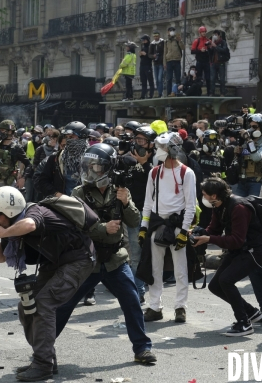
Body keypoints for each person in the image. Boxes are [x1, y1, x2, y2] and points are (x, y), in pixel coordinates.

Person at [55, 143, 157, 364]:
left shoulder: (120, 190)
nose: (92, 170)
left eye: (98, 167)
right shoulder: (79, 192)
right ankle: (42, 350)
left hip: (115, 259)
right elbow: (75, 225)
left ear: (108, 168)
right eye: (89, 165)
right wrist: (102, 228)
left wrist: (126, 202)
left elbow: (134, 221)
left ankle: (142, 349)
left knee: (131, 302)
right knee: (64, 305)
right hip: (87, 260)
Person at [0, 186, 96, 381]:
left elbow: (30, 225)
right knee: (27, 306)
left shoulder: (34, 212)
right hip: (55, 262)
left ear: (9, 211)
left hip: (78, 259)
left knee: (43, 304)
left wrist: (4, 232)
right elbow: (1, 257)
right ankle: (45, 358)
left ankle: (43, 365)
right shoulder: (12, 227)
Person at [192, 177, 262, 336]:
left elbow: (237, 240)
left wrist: (210, 239)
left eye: (205, 194)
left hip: (252, 251)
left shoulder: (239, 207)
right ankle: (251, 313)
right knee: (215, 286)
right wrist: (200, 234)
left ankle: (244, 323)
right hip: (239, 251)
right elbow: (215, 229)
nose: (202, 197)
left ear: (214, 195)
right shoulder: (218, 205)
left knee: (226, 280)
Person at [137, 132, 196, 323]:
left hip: (177, 225)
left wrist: (185, 231)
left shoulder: (186, 172)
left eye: (160, 148)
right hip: (157, 224)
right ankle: (154, 307)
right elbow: (148, 202)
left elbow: (190, 205)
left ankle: (180, 307)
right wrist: (144, 227)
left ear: (172, 149)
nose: (157, 152)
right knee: (155, 269)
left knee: (180, 269)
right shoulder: (154, 172)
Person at [125, 126, 157, 303]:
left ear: (151, 144)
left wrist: (144, 164)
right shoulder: (129, 160)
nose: (138, 144)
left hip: (149, 215)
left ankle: (145, 291)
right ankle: (135, 290)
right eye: (136, 140)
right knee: (131, 255)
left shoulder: (158, 162)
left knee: (144, 254)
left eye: (142, 140)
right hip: (130, 212)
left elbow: (156, 186)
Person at [228, 114, 262, 197]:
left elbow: (256, 157)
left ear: (261, 128)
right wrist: (238, 153)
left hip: (256, 182)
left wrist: (248, 140)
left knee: (253, 206)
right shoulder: (245, 142)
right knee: (238, 205)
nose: (251, 129)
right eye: (250, 126)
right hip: (242, 181)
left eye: (254, 127)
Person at [0, 120, 31, 192]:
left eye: (2, 130)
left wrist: (23, 178)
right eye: (0, 130)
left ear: (10, 131)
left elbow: (29, 165)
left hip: (9, 183)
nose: (0, 132)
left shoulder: (16, 148)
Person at [164, 27, 185, 96]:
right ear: (168, 32)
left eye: (173, 31)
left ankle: (177, 92)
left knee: (177, 77)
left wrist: (180, 41)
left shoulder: (177, 40)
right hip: (169, 61)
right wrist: (164, 63)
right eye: (170, 31)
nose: (171, 32)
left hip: (176, 60)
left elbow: (183, 48)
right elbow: (165, 52)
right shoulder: (166, 41)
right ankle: (169, 93)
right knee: (169, 78)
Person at [191, 26, 212, 95]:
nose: (204, 33)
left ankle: (209, 92)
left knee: (208, 78)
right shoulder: (197, 41)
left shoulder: (208, 40)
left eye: (205, 32)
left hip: (206, 61)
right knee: (199, 78)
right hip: (199, 61)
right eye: (203, 32)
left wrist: (209, 48)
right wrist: (200, 50)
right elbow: (192, 51)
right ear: (200, 33)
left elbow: (212, 50)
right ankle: (198, 92)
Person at [208, 29, 229, 97]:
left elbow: (224, 50)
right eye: (213, 35)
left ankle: (222, 93)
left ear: (219, 36)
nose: (214, 36)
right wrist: (210, 47)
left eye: (216, 35)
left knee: (222, 79)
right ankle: (212, 93)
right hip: (213, 63)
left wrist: (216, 46)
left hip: (221, 63)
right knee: (212, 78)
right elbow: (210, 53)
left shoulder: (223, 42)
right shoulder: (212, 43)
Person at [149, 31, 165, 98]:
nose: (156, 37)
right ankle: (159, 92)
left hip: (161, 63)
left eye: (157, 36)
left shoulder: (162, 42)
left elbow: (164, 51)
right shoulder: (152, 44)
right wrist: (153, 56)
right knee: (156, 79)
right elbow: (149, 54)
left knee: (159, 78)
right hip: (155, 63)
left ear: (159, 36)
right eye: (155, 36)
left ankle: (161, 93)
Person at [139, 35, 155, 99]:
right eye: (143, 40)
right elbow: (141, 56)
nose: (143, 42)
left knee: (150, 80)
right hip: (142, 65)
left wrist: (145, 54)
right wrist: (141, 54)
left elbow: (151, 56)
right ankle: (143, 95)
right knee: (143, 81)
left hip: (148, 65)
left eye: (144, 40)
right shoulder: (143, 47)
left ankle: (151, 94)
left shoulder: (150, 47)